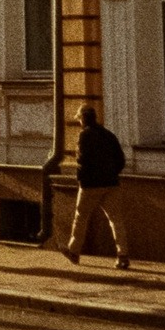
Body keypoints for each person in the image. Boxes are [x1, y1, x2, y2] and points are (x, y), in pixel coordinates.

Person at [65, 104, 129, 269]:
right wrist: (111, 174)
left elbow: (82, 161)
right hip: (111, 183)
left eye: (79, 119)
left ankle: (73, 251)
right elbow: (121, 160)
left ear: (83, 119)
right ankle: (123, 255)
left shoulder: (84, 136)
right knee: (116, 220)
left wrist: (82, 180)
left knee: (81, 217)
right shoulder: (109, 135)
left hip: (91, 185)